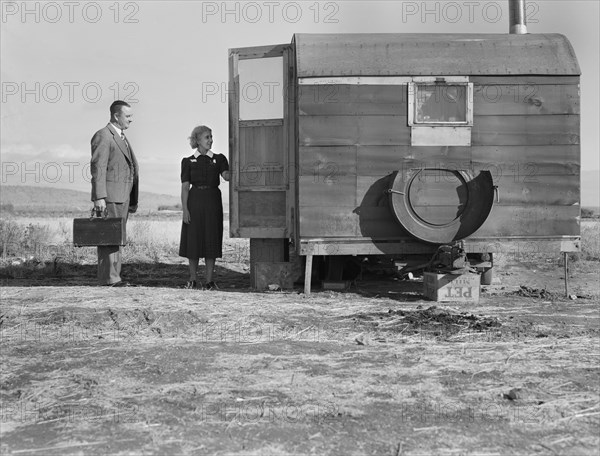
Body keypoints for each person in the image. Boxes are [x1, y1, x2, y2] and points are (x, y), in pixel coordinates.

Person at [90, 100, 139, 286]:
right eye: (128, 116)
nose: (131, 120)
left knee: (117, 238)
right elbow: (98, 168)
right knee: (108, 238)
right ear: (116, 116)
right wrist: (99, 197)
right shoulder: (103, 135)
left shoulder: (121, 137)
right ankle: (109, 278)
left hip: (123, 197)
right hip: (109, 197)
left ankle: (115, 277)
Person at [179, 125, 229, 290]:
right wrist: (185, 210)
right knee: (193, 239)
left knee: (211, 238)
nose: (211, 140)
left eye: (211, 137)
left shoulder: (219, 159)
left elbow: (226, 176)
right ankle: (192, 279)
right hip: (194, 202)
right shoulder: (187, 161)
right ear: (197, 140)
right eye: (207, 137)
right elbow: (185, 187)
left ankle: (209, 281)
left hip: (213, 202)